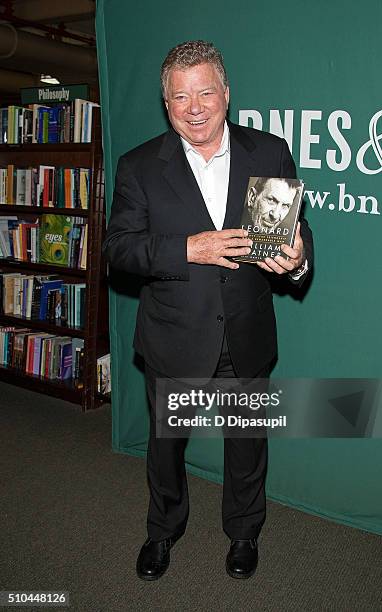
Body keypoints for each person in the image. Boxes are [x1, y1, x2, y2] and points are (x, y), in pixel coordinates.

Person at [103, 40, 313, 581]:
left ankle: (244, 532)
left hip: (245, 332)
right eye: (180, 97)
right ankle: (162, 530)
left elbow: (295, 229)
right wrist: (186, 249)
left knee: (247, 442)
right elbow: (118, 249)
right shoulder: (139, 165)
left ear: (226, 94)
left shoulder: (268, 152)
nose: (194, 108)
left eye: (205, 92)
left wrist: (295, 259)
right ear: (166, 103)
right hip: (174, 337)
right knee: (166, 449)